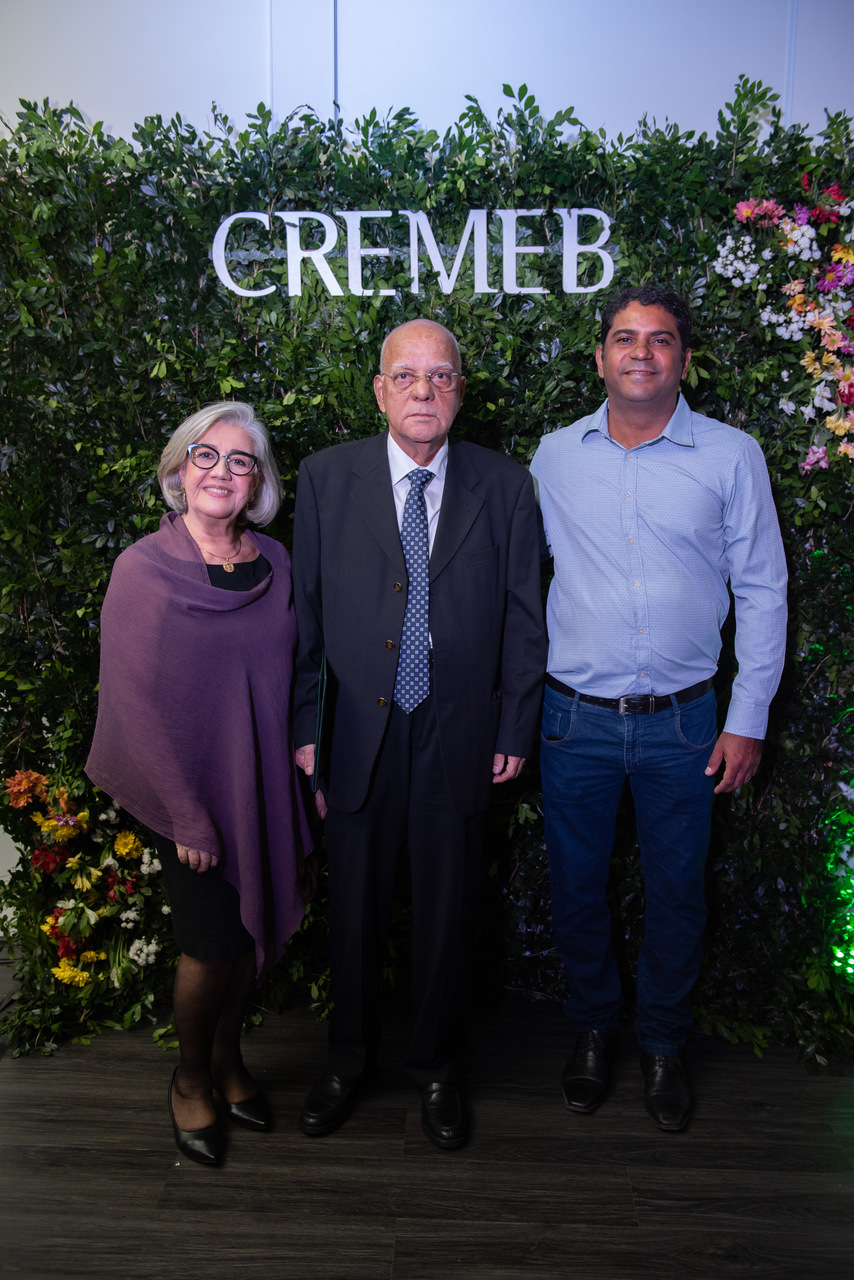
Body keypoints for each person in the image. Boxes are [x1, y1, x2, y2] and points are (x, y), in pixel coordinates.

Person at [530, 285, 787, 1132]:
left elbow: (763, 588)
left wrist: (747, 715)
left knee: (679, 892)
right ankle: (594, 1029)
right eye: (625, 337)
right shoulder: (553, 457)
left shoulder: (732, 456)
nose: (641, 352)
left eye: (661, 339)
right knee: (576, 889)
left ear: (683, 358)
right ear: (600, 356)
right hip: (575, 718)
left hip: (687, 722)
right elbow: (514, 580)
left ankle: (665, 1043)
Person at [292, 318, 546, 1150]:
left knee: (448, 913)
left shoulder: (506, 485)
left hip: (460, 728)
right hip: (355, 731)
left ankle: (438, 1068)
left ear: (460, 392)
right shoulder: (326, 479)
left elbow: (525, 617)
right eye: (406, 376)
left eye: (440, 376)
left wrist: (515, 724)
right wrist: (307, 727)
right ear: (379, 391)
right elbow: (306, 619)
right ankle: (347, 1060)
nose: (423, 390)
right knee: (355, 912)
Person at [86, 401, 312, 1165]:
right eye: (204, 456)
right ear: (179, 472)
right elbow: (131, 702)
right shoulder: (143, 570)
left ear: (258, 482)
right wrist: (186, 815)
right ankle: (189, 1077)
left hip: (264, 786)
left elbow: (300, 674)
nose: (221, 471)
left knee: (246, 944)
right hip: (192, 796)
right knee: (211, 947)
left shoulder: (276, 563)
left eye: (240, 460)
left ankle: (227, 1059)